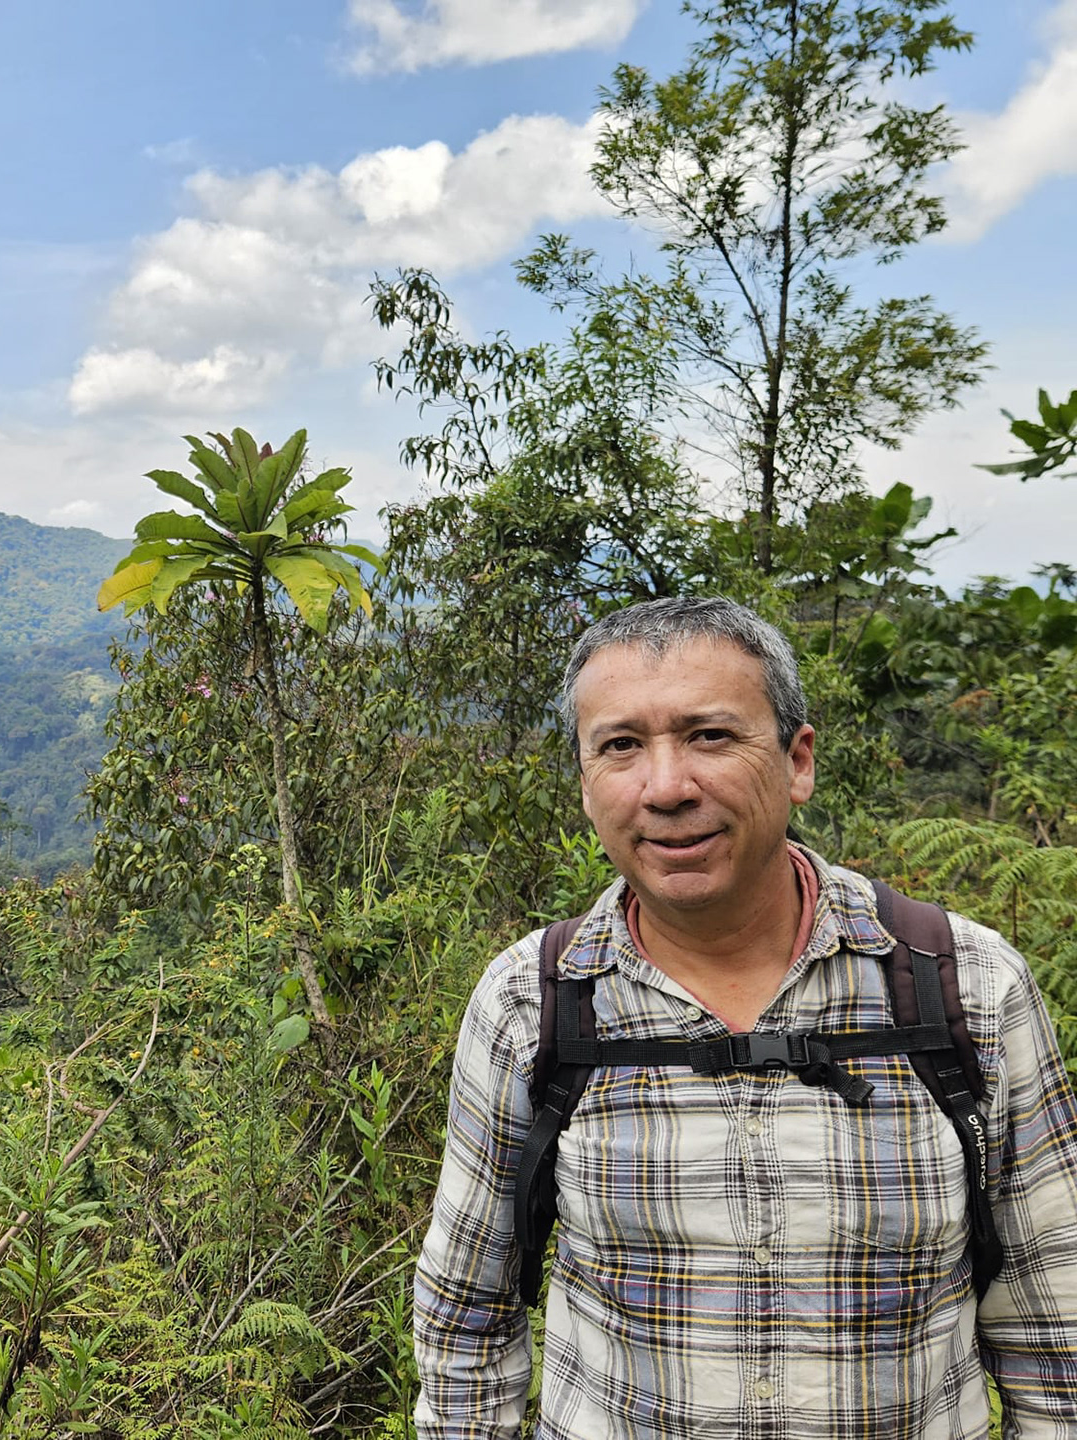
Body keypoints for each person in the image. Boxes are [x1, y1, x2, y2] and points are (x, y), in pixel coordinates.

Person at [412, 596, 1077, 1439]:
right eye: (620, 746)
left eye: (710, 736)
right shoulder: (531, 1002)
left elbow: (1055, 1323)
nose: (665, 788)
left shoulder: (966, 987)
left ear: (797, 761)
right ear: (585, 784)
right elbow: (467, 1312)